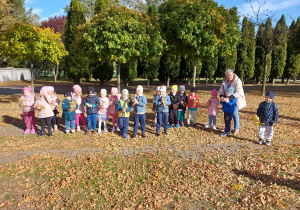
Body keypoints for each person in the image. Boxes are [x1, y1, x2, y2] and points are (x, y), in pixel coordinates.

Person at [219, 69, 246, 135]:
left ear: (233, 74)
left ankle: (236, 128)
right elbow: (221, 89)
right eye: (227, 75)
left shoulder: (237, 81)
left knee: (234, 113)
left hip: (236, 99)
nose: (229, 77)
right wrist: (221, 96)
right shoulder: (225, 80)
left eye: (230, 75)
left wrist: (230, 98)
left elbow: (238, 92)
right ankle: (228, 128)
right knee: (227, 114)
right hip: (226, 99)